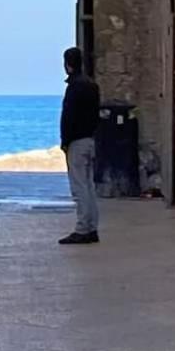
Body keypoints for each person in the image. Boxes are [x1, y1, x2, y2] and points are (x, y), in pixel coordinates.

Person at [59, 46, 100, 245]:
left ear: (68, 65)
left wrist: (65, 141)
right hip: (90, 140)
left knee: (79, 187)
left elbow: (69, 117)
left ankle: (83, 228)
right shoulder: (92, 86)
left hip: (77, 141)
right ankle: (92, 227)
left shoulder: (74, 87)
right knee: (89, 185)